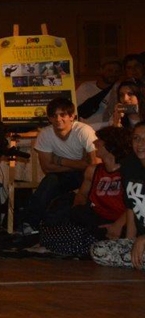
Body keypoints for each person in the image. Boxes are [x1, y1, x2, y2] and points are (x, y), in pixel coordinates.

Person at [37, 126, 130, 254]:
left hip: (122, 221)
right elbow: (81, 196)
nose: (95, 143)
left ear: (110, 145)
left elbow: (134, 205)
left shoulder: (129, 171)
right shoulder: (93, 170)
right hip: (97, 221)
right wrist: (78, 215)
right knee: (53, 232)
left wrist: (117, 225)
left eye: (99, 140)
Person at [20, 97, 98, 232]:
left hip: (86, 175)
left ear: (72, 116)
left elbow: (94, 165)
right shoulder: (45, 133)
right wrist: (79, 164)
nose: (58, 119)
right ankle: (31, 224)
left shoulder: (84, 130)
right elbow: (47, 168)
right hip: (63, 174)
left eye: (63, 115)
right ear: (49, 118)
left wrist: (60, 160)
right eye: (54, 115)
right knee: (49, 181)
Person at [91, 122, 145, 270]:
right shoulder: (129, 166)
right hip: (140, 238)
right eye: (136, 138)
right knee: (98, 251)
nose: (140, 144)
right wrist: (129, 241)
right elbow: (131, 207)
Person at [76, 59, 121, 125]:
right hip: (88, 128)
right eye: (110, 70)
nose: (113, 74)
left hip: (110, 128)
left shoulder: (121, 89)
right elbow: (74, 110)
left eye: (117, 71)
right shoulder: (85, 87)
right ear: (101, 70)